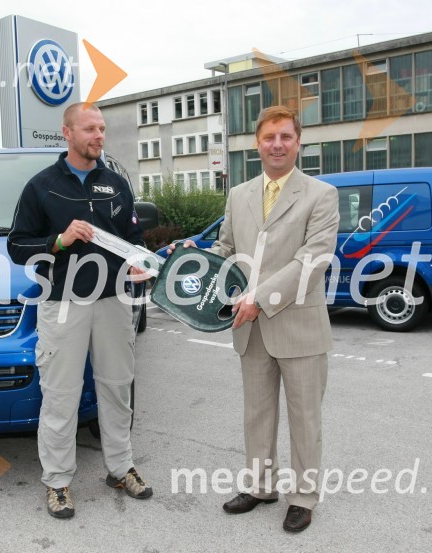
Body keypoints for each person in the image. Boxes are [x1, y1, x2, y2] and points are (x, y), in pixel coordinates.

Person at [171, 106, 338, 532]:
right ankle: (261, 486)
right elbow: (227, 252)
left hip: (297, 324)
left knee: (305, 418)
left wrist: (259, 299)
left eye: (285, 136)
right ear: (257, 144)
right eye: (269, 137)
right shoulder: (239, 194)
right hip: (251, 330)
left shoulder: (320, 195)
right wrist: (191, 258)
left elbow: (313, 260)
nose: (277, 144)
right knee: (257, 414)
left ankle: (303, 496)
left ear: (298, 142)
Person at [7, 102, 152, 519]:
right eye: (90, 128)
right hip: (63, 305)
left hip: (114, 302)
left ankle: (121, 468)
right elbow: (17, 246)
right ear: (67, 133)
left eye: (102, 128)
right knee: (61, 395)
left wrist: (140, 263)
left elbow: (134, 239)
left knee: (117, 387)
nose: (99, 136)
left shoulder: (116, 186)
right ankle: (57, 482)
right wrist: (59, 240)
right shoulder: (41, 187)